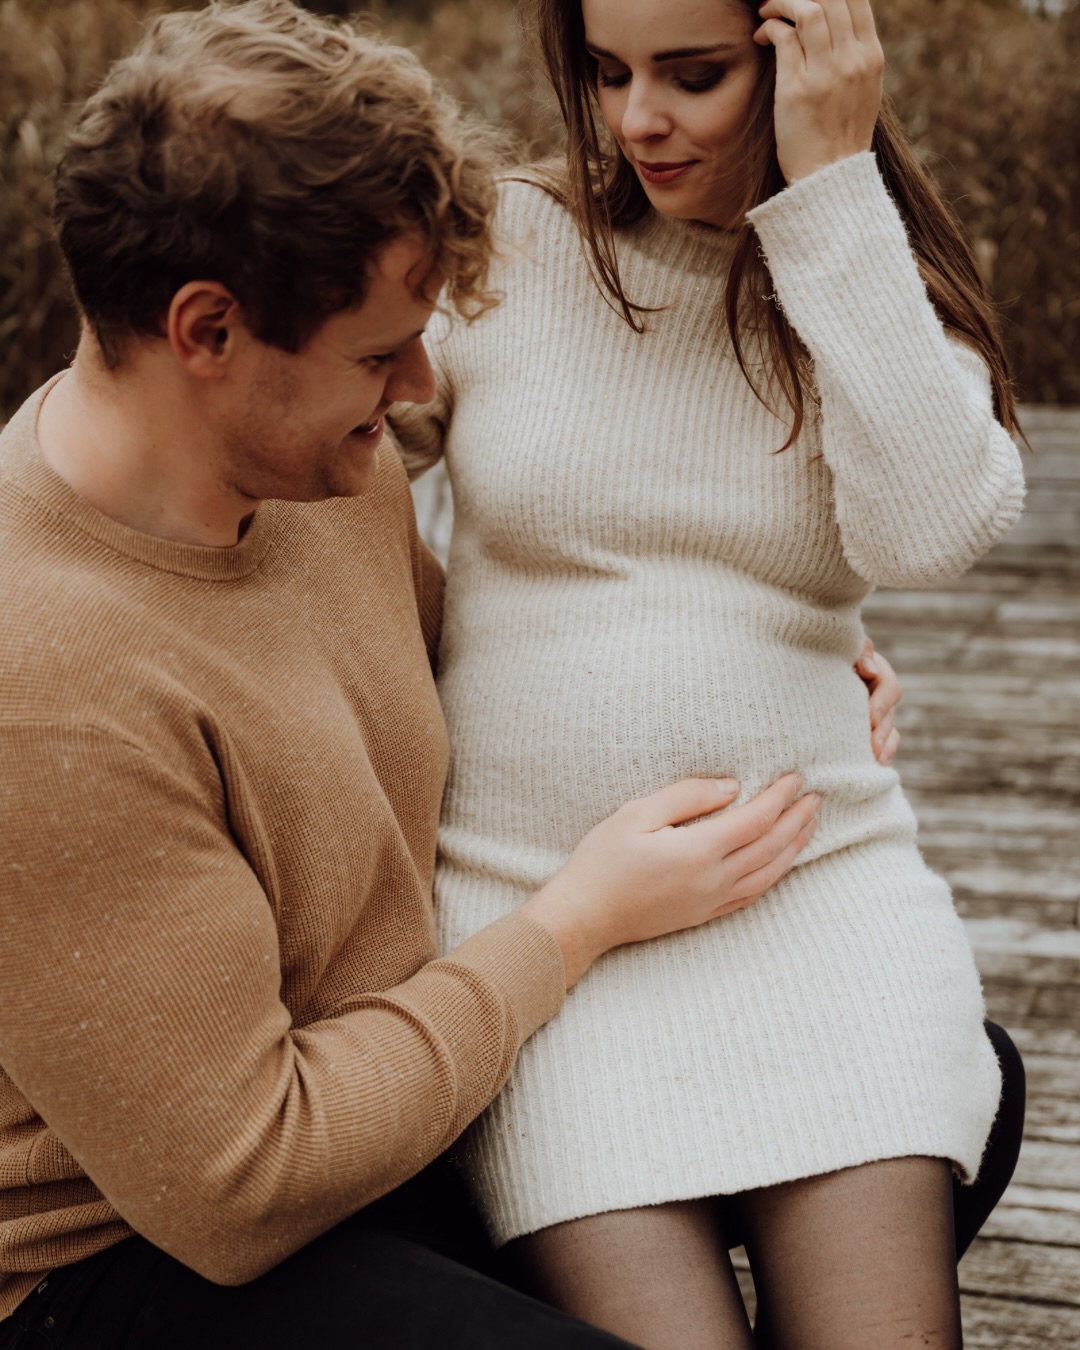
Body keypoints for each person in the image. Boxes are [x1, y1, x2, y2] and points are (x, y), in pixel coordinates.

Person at [0, 3, 846, 1346]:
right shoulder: (42, 685)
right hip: (131, 1254)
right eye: (378, 349)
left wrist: (755, 656)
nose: (415, 385)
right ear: (206, 329)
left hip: (400, 1104)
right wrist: (574, 925)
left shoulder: (315, 461)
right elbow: (242, 1181)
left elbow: (475, 665)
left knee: (923, 1091)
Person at [387, 0, 1028, 1346]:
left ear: (805, 55)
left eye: (694, 76)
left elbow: (929, 532)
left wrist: (833, 189)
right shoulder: (510, 244)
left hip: (821, 905)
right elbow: (314, 439)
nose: (636, 121)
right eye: (609, 73)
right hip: (551, 931)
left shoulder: (860, 279)